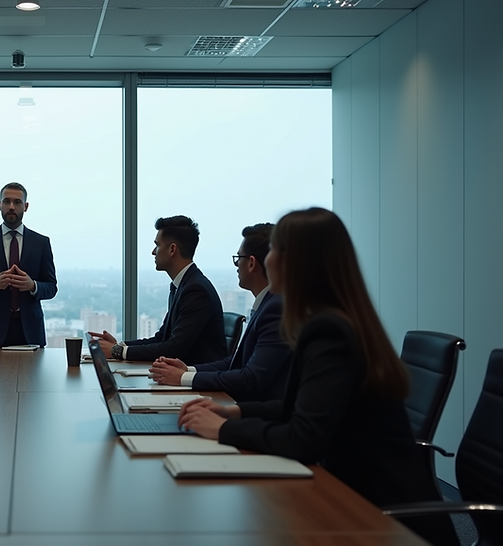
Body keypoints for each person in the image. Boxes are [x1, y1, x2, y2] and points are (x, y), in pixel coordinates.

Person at [178, 208, 457, 546]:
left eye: (276, 250)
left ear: (297, 262)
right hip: (359, 496)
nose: (268, 260)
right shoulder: (329, 320)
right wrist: (232, 412)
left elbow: (304, 436)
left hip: (383, 516)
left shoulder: (328, 330)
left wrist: (222, 430)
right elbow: (295, 407)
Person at [148, 223, 291, 402]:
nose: (237, 265)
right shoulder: (267, 304)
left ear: (252, 263)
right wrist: (188, 371)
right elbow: (234, 362)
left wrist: (182, 378)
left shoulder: (275, 309)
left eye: (239, 258)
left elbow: (250, 377)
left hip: (253, 414)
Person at [90, 215, 225, 364]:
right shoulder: (182, 284)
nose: (153, 252)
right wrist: (119, 346)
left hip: (197, 382)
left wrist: (118, 352)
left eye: (157, 245)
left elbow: (174, 349)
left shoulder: (196, 290)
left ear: (172, 249)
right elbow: (162, 338)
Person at [0, 182, 57, 347]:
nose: (12, 207)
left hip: (30, 331)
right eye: (6, 202)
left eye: (17, 202)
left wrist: (32, 286)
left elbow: (51, 287)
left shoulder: (41, 243)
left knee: (32, 374)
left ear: (26, 206)